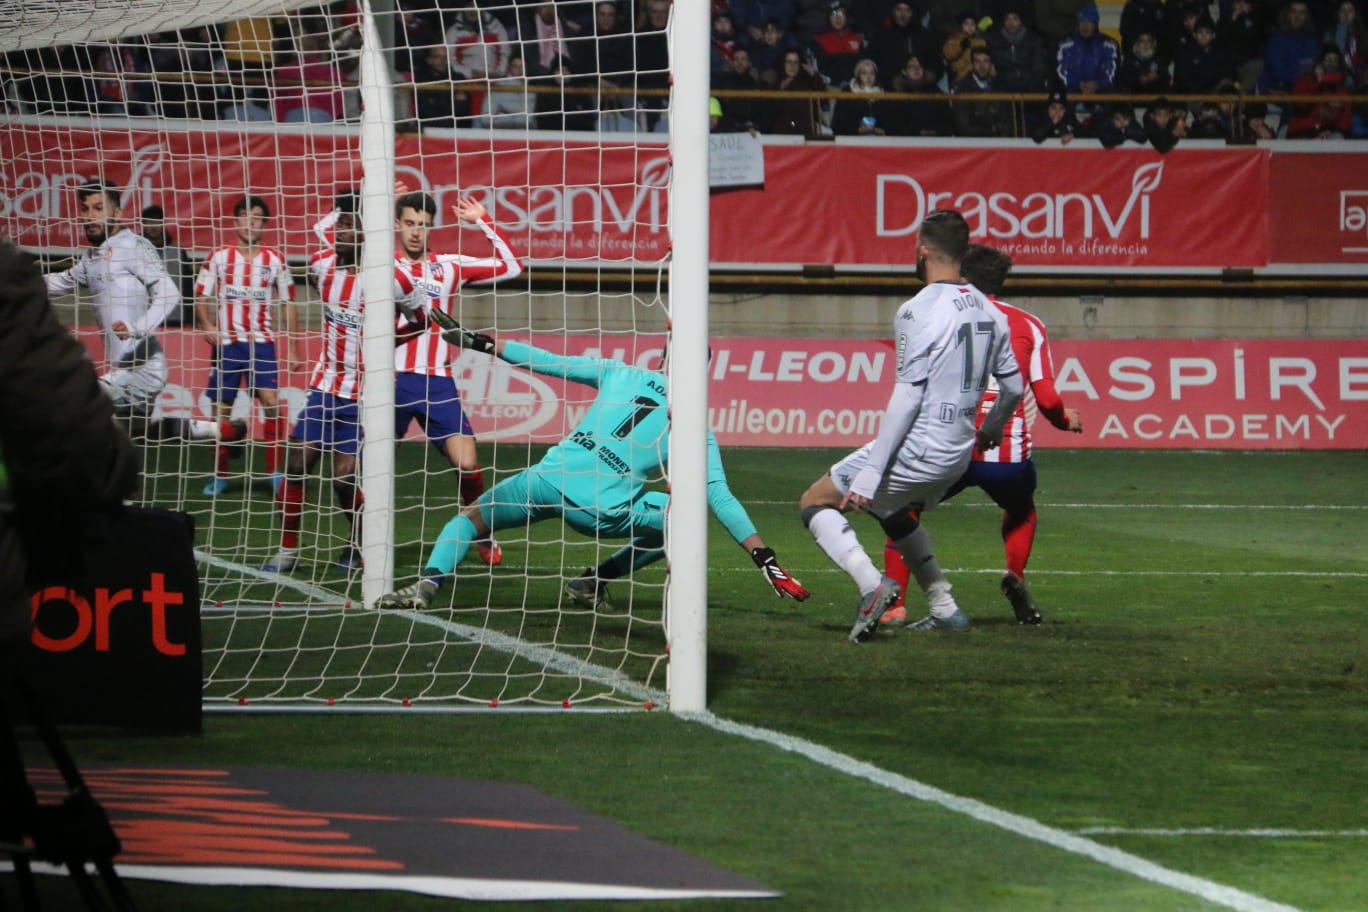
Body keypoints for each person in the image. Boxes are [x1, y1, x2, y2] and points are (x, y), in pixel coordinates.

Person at [375, 316, 811, 612]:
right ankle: (593, 580)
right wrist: (765, 558)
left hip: (547, 479)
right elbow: (720, 497)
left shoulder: (620, 372)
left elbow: (549, 362)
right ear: (702, 375)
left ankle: (428, 584)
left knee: (466, 523)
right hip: (599, 512)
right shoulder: (694, 428)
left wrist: (482, 343)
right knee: (681, 518)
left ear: (660, 359)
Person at [798, 210, 1023, 642]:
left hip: (921, 444)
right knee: (892, 511)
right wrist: (993, 428)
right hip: (957, 450)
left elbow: (908, 395)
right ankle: (945, 607)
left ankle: (871, 585)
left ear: (922, 251)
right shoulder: (992, 312)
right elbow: (1013, 387)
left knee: (815, 502)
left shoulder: (917, 310)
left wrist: (872, 469)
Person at [881, 244, 1081, 627]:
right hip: (1007, 454)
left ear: (961, 275)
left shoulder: (936, 315)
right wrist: (1063, 420)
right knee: (1021, 511)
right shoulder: (1029, 324)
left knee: (902, 512)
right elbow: (1048, 398)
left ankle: (895, 605)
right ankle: (1014, 575)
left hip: (950, 445)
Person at [261, 193, 422, 574]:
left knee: (344, 479)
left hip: (367, 395)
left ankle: (358, 543)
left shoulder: (392, 277)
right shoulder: (321, 266)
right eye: (342, 224)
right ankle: (288, 549)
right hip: (324, 385)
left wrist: (388, 342)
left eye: (352, 224)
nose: (344, 231)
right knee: (297, 463)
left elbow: (422, 320)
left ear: (368, 230)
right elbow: (324, 299)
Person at [44, 181, 247, 448]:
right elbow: (59, 282)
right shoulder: (92, 258)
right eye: (85, 209)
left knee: (72, 400)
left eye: (97, 208)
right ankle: (222, 431)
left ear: (117, 213)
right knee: (139, 434)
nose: (89, 216)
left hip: (142, 370)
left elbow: (170, 293)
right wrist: (14, 280)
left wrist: (137, 328)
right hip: (124, 368)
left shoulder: (133, 245)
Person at [393, 189, 523, 569]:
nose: (416, 232)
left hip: (436, 382)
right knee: (367, 468)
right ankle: (358, 543)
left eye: (424, 225)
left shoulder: (448, 266)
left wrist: (483, 220)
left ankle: (478, 529)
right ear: (397, 224)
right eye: (410, 224)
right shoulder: (379, 264)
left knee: (468, 465)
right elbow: (330, 241)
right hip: (390, 381)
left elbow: (512, 266)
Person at [194, 194, 301, 496]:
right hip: (228, 345)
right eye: (244, 216)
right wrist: (206, 324)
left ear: (264, 223)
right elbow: (200, 296)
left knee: (271, 403)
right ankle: (221, 474)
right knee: (221, 412)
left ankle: (275, 473)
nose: (250, 222)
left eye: (256, 217)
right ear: (236, 220)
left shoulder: (275, 259)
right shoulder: (219, 256)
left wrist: (294, 348)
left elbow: (289, 303)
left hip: (262, 345)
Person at [139, 204, 196, 326]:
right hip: (143, 319)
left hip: (175, 319)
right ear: (142, 224)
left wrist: (191, 320)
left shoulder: (178, 252)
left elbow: (188, 289)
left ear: (164, 223)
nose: (153, 227)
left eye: (156, 222)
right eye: (148, 223)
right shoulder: (133, 250)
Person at [1056, 2, 1119, 95]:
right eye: (1082, 21)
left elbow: (1111, 70)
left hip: (1100, 89)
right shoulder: (1066, 44)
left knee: (1112, 92)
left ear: (1096, 24)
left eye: (1089, 22)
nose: (1085, 26)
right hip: (1073, 89)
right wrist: (1078, 84)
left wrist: (1097, 84)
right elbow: (1061, 70)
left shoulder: (1108, 44)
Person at [953, 47, 1016, 136]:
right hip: (974, 144)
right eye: (977, 61)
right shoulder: (963, 89)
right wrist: (993, 130)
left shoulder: (999, 87)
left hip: (1000, 144)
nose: (982, 66)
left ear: (991, 64)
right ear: (972, 64)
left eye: (986, 61)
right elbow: (964, 126)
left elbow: (1008, 120)